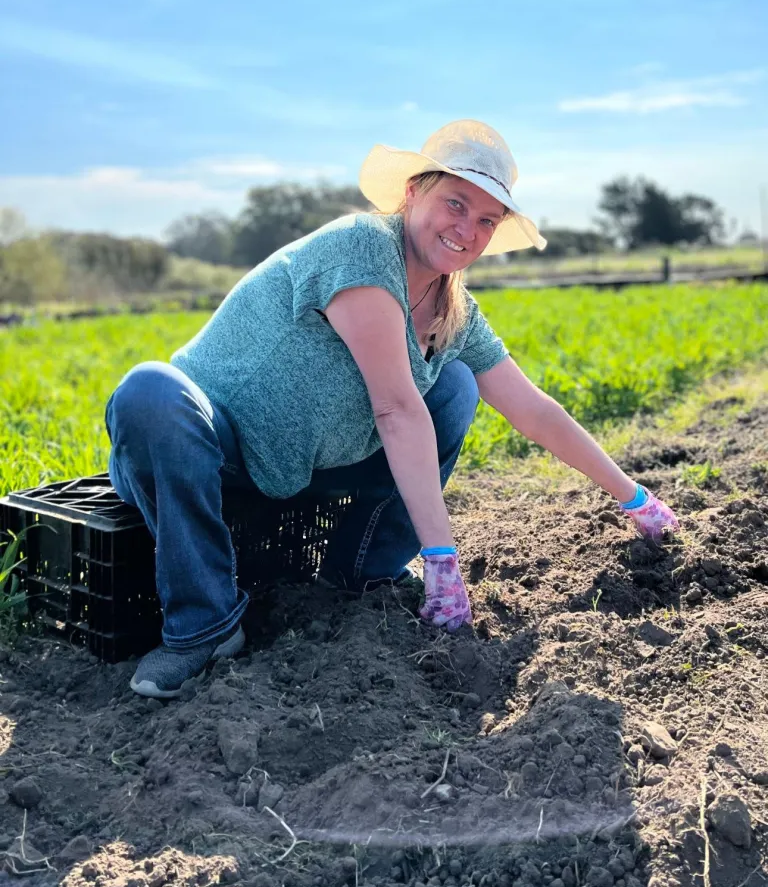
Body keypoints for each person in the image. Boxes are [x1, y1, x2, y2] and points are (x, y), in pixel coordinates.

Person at [105, 119, 679, 699]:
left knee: (455, 384)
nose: (467, 230)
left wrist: (633, 497)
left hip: (304, 469)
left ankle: (363, 568)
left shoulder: (454, 309)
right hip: (209, 448)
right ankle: (204, 627)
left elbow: (533, 410)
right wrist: (443, 557)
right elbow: (397, 410)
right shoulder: (362, 249)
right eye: (455, 204)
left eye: (486, 220)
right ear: (412, 193)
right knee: (149, 390)